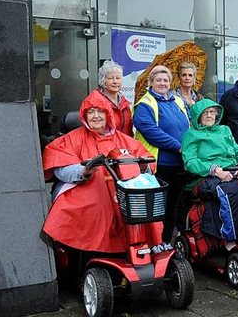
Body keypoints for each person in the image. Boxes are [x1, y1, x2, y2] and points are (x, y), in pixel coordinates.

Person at [42, 96, 159, 253]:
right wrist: (83, 171)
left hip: (123, 192)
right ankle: (84, 257)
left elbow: (147, 166)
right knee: (90, 209)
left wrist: (143, 167)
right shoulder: (72, 138)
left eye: (100, 112)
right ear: (84, 116)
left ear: (108, 115)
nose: (96, 116)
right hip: (88, 187)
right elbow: (60, 168)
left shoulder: (125, 140)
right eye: (91, 112)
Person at [181, 99, 238, 244]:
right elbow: (190, 162)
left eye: (212, 112)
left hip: (231, 171)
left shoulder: (224, 130)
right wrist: (214, 170)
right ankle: (229, 238)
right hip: (204, 177)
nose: (209, 115)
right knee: (231, 192)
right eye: (205, 113)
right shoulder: (192, 134)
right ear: (198, 116)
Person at [133, 65, 191, 242]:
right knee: (157, 208)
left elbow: (189, 126)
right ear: (151, 82)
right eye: (158, 80)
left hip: (179, 165)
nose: (162, 83)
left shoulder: (178, 101)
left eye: (165, 80)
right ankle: (154, 244)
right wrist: (177, 146)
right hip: (158, 166)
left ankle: (166, 243)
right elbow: (151, 132)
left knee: (173, 206)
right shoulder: (145, 104)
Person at [81, 60, 132, 136]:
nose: (115, 82)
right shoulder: (94, 101)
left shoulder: (124, 102)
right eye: (110, 78)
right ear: (103, 81)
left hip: (124, 145)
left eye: (118, 78)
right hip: (105, 146)